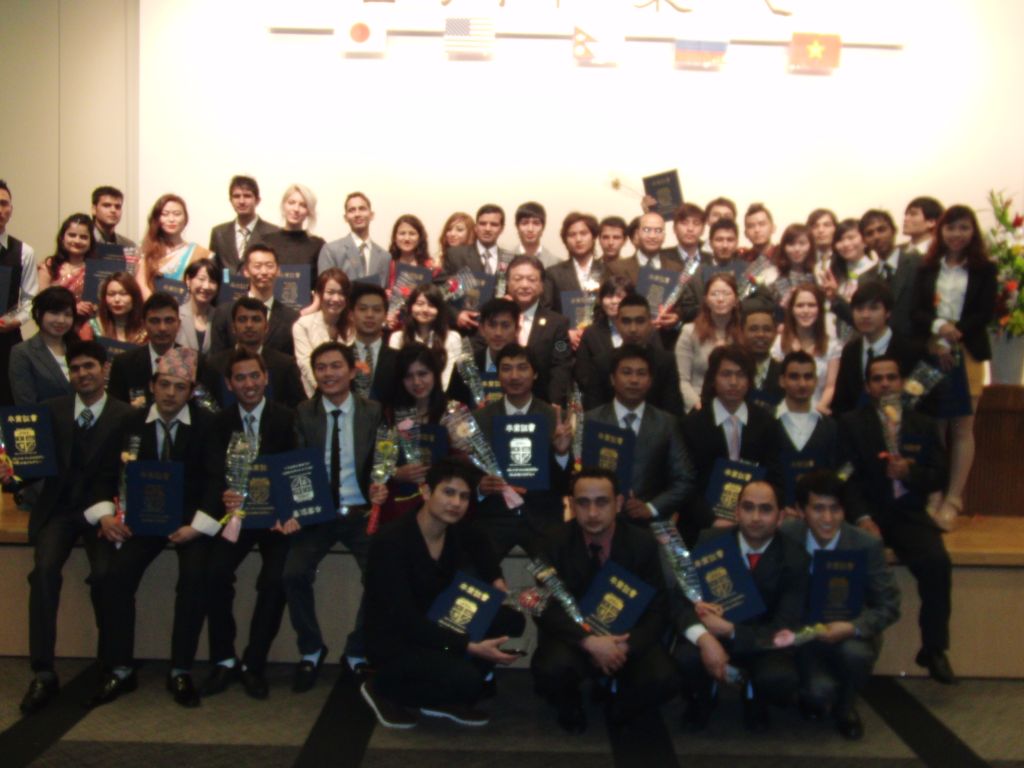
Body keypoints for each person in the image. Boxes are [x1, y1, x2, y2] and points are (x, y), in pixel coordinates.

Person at [89, 348, 215, 708]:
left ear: (191, 391)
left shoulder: (207, 424)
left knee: (195, 578)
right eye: (164, 385)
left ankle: (180, 669)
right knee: (114, 577)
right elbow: (102, 474)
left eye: (180, 386)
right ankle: (121, 668)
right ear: (152, 385)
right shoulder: (129, 422)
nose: (171, 393)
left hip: (189, 522)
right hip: (141, 521)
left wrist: (197, 526)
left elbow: (216, 481)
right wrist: (105, 516)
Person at [361, 459, 526, 729]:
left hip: (435, 621)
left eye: (464, 496)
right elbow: (404, 619)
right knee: (469, 681)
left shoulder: (454, 529)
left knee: (511, 620)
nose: (456, 503)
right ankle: (381, 688)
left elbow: (480, 543)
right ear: (426, 492)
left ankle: (441, 695)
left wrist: (496, 579)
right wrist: (468, 646)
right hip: (397, 637)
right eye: (448, 493)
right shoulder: (392, 541)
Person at [17, 340, 133, 714]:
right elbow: (32, 466)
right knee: (44, 574)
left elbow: (129, 473)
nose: (83, 374)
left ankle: (111, 664)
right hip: (60, 511)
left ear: (105, 369)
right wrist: (12, 474)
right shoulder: (51, 411)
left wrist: (112, 513)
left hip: (104, 512)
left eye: (89, 367)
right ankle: (43, 672)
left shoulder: (126, 415)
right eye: (76, 368)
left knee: (106, 576)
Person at [532, 468, 676, 733]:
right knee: (550, 671)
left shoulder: (642, 543)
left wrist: (624, 647)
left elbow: (657, 609)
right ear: (572, 504)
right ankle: (570, 705)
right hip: (576, 638)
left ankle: (621, 705)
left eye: (602, 502)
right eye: (583, 503)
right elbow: (544, 607)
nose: (592, 512)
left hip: (625, 638)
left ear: (618, 503)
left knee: (663, 678)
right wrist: (589, 641)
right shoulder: (552, 542)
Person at [839, 355, 953, 683]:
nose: (885, 384)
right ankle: (849, 647)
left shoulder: (923, 424)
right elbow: (845, 477)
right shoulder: (850, 424)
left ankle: (934, 648)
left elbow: (939, 475)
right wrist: (861, 517)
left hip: (908, 515)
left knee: (937, 563)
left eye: (891, 377)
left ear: (901, 383)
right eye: (877, 379)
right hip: (868, 514)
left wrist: (910, 473)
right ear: (868, 387)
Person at [283, 341, 387, 689]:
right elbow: (295, 465)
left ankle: (356, 652)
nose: (328, 373)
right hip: (317, 514)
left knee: (381, 575)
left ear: (352, 371)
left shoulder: (373, 411)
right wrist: (293, 509)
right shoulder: (303, 412)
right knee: (293, 573)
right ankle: (311, 649)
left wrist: (381, 484)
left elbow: (384, 458)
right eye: (321, 368)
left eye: (336, 366)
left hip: (361, 511)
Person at [200, 349, 298, 699]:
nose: (249, 384)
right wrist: (224, 496)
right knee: (214, 573)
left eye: (254, 375)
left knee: (275, 580)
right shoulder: (218, 423)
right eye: (240, 378)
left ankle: (254, 662)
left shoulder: (288, 419)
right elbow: (213, 472)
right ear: (229, 384)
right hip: (236, 518)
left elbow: (294, 469)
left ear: (266, 378)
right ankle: (224, 659)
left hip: (275, 520)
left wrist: (285, 511)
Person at [673, 480, 809, 731]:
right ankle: (702, 696)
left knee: (779, 677)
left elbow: (785, 627)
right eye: (748, 507)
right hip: (713, 637)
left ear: (780, 517)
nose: (755, 517)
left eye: (765, 509)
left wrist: (730, 631)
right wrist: (705, 639)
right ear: (736, 512)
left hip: (762, 644)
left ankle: (753, 693)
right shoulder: (709, 541)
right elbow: (681, 601)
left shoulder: (795, 557)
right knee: (685, 657)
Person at [781, 470, 900, 740]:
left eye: (835, 509)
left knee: (856, 655)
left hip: (849, 633)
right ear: (801, 510)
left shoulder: (866, 544)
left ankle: (846, 706)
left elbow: (889, 605)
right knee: (818, 693)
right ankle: (816, 691)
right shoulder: (787, 535)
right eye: (818, 509)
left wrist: (852, 627)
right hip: (804, 635)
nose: (827, 518)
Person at [911, 204, 997, 528]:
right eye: (951, 228)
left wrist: (955, 333)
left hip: (967, 351)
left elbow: (984, 313)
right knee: (933, 426)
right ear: (940, 231)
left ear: (973, 231)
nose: (957, 234)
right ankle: (933, 493)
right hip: (932, 351)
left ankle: (953, 499)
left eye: (963, 227)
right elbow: (917, 311)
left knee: (962, 428)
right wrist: (939, 329)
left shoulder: (984, 269)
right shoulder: (927, 267)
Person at [473, 343, 572, 558]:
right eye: (506, 369)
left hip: (542, 516)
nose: (514, 376)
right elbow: (469, 473)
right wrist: (480, 487)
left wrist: (562, 454)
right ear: (498, 375)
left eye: (522, 368)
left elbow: (565, 484)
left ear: (535, 373)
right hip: (495, 517)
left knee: (556, 572)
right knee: (474, 567)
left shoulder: (555, 418)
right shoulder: (480, 420)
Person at [680, 345, 783, 543]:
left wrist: (759, 515)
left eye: (741, 375)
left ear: (750, 380)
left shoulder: (766, 423)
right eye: (726, 374)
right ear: (713, 379)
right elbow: (685, 483)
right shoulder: (691, 425)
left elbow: (775, 476)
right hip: (702, 525)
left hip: (757, 522)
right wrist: (712, 520)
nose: (733, 382)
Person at [584, 344, 694, 524]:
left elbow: (684, 479)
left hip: (648, 526)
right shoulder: (590, 421)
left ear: (650, 381)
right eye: (626, 372)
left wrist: (651, 507)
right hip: (597, 520)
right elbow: (575, 474)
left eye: (641, 374)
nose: (634, 380)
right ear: (612, 379)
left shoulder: (666, 424)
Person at [575, 293, 683, 415]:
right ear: (617, 324)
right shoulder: (602, 364)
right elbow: (593, 413)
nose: (633, 329)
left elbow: (673, 414)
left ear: (650, 323)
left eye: (640, 321)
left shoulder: (666, 362)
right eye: (626, 321)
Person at [378, 344, 449, 527]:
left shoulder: (454, 413)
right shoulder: (390, 414)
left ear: (435, 374)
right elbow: (379, 463)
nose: (417, 382)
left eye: (423, 374)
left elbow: (468, 463)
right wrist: (396, 473)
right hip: (401, 507)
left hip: (444, 507)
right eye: (409, 376)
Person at [831, 281, 921, 417]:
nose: (865, 315)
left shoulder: (911, 350)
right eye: (859, 309)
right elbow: (841, 402)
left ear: (888, 312)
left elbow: (920, 401)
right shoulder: (850, 351)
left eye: (873, 308)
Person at [202, 297, 306, 409]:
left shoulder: (285, 365)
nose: (249, 325)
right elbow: (207, 406)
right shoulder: (214, 365)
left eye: (256, 319)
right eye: (242, 319)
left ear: (266, 327)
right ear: (233, 327)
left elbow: (298, 407)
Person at [775, 351, 840, 516]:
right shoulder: (766, 423)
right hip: (775, 515)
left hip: (822, 516)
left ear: (816, 381)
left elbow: (839, 471)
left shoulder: (831, 426)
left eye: (808, 377)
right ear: (782, 381)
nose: (802, 383)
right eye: (794, 377)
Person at [504, 255, 574, 406]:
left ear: (542, 285)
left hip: (542, 405)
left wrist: (554, 403)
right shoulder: (495, 320)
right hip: (500, 403)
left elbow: (561, 366)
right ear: (507, 283)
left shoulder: (557, 324)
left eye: (531, 279)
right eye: (518, 279)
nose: (524, 285)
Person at [210, 243, 299, 357]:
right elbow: (217, 359)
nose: (264, 272)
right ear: (246, 271)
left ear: (278, 271)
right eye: (257, 266)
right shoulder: (224, 312)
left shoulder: (291, 317)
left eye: (270, 266)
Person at [676, 273, 744, 412]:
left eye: (726, 294)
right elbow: (681, 379)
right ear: (706, 300)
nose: (720, 299)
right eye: (714, 294)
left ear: (736, 300)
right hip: (698, 404)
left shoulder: (744, 334)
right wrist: (698, 405)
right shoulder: (689, 332)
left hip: (735, 405)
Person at [444, 204, 515, 332]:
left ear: (502, 228)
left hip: (500, 331)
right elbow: (444, 294)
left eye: (494, 224)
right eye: (483, 224)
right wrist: (457, 315)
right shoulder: (456, 255)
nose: (487, 229)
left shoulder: (510, 259)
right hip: (466, 330)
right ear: (476, 227)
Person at [0, 179, 40, 406]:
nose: (0, 209)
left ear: (11, 209)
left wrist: (16, 321)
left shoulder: (24, 251)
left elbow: (30, 299)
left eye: (4, 203)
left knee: (7, 399)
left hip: (7, 338)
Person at [107, 292, 186, 407]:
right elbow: (115, 410)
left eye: (169, 320)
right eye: (154, 321)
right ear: (143, 324)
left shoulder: (193, 362)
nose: (162, 328)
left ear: (178, 324)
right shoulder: (124, 363)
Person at [771, 284, 840, 414]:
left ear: (820, 310)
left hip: (818, 411)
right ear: (792, 310)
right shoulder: (779, 343)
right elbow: (776, 385)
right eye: (800, 305)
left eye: (811, 305)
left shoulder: (832, 346)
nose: (806, 311)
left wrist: (819, 409)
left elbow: (830, 386)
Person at [446, 297, 519, 408]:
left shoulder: (529, 364)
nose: (498, 333)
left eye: (505, 326)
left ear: (517, 329)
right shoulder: (466, 365)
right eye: (492, 325)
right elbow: (453, 407)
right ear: (482, 329)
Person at [9, 286, 77, 405]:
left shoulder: (78, 348)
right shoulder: (23, 352)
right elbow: (26, 403)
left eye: (67, 314)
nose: (61, 320)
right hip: (43, 416)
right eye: (54, 313)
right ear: (38, 313)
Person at [859, 209, 920, 338]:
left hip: (918, 342)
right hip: (883, 346)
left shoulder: (918, 262)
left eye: (881, 230)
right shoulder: (865, 279)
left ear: (894, 231)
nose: (876, 237)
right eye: (869, 233)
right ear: (864, 241)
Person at [293, 268, 353, 397]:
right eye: (330, 292)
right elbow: (305, 364)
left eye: (341, 293)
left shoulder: (354, 327)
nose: (336, 299)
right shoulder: (303, 325)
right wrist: (326, 389)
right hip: (314, 394)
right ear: (319, 294)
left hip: (349, 394)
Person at [138, 194, 211, 299]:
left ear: (185, 218)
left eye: (177, 214)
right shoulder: (147, 251)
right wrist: (156, 306)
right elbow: (142, 285)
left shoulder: (199, 253)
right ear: (157, 218)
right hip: (152, 306)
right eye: (165, 214)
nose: (171, 219)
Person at [388, 284, 461, 388]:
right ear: (411, 307)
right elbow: (396, 376)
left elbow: (447, 378)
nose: (425, 309)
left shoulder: (451, 338)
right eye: (419, 304)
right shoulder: (397, 338)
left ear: (439, 309)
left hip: (439, 395)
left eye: (431, 305)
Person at [208, 175, 279, 275]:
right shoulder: (218, 233)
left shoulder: (274, 233)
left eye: (247, 196)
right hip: (226, 285)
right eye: (236, 196)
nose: (241, 201)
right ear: (230, 200)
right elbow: (212, 270)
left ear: (257, 200)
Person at [317, 191, 389, 284]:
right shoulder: (331, 251)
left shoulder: (385, 257)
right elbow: (325, 288)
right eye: (352, 210)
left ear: (371, 215)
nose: (357, 214)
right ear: (345, 218)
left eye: (362, 209)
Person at [545, 212, 604, 324]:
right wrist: (564, 330)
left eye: (583, 233)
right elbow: (547, 312)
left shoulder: (607, 270)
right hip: (564, 333)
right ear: (565, 240)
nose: (578, 239)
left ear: (594, 236)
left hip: (600, 333)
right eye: (572, 235)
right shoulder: (553, 274)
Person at [37, 213, 96, 326]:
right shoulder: (50, 265)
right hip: (54, 326)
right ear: (62, 237)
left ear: (91, 241)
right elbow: (42, 300)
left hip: (86, 327)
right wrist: (72, 308)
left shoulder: (96, 270)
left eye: (83, 237)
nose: (77, 241)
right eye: (72, 235)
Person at [258, 183, 326, 272]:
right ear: (283, 205)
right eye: (291, 203)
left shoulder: (318, 245)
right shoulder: (266, 241)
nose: (296, 209)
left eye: (303, 205)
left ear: (309, 211)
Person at [348, 281, 397, 402]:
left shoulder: (398, 359)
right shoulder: (341, 357)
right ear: (351, 314)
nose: (369, 315)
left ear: (385, 316)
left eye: (377, 310)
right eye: (363, 309)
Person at [82, 272, 147, 345]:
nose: (117, 299)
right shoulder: (92, 327)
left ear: (135, 297)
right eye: (111, 294)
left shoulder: (146, 329)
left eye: (123, 294)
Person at [742, 300, 784, 412]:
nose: (760, 335)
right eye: (753, 329)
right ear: (742, 332)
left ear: (775, 333)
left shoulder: (783, 372)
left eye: (767, 329)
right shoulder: (733, 371)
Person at [175, 258, 220, 354]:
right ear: (188, 280)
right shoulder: (176, 315)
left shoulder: (220, 318)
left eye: (212, 281)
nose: (206, 286)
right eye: (201, 279)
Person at [385, 214, 437, 295]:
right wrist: (383, 294)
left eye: (412, 234)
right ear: (395, 237)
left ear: (420, 237)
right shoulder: (387, 264)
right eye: (402, 233)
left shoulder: (430, 266)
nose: (407, 238)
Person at [771, 223, 817, 309]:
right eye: (791, 244)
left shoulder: (817, 273)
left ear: (811, 246)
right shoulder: (774, 274)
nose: (797, 249)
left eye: (802, 244)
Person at [514, 201, 559, 268]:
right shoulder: (506, 260)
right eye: (525, 223)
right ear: (517, 227)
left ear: (543, 227)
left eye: (536, 223)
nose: (530, 229)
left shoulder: (555, 263)